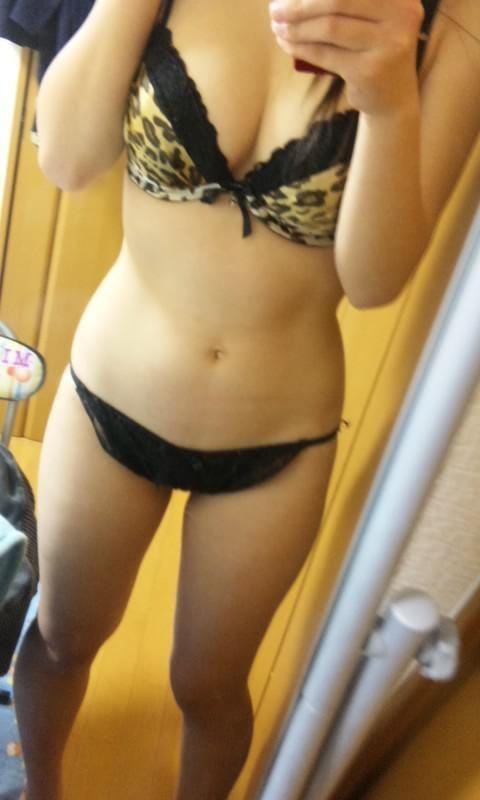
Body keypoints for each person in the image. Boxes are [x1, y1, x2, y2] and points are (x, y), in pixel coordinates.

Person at [12, 0, 480, 798]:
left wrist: (389, 102)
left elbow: (373, 280)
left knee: (208, 688)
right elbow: (66, 159)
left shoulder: (452, 25)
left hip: (277, 437)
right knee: (61, 638)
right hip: (112, 394)